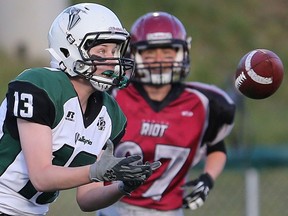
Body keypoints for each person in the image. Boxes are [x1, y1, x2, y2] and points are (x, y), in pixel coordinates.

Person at [0, 3, 161, 216]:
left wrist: (123, 186)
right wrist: (98, 171)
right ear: (69, 48)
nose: (112, 61)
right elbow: (41, 177)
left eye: (114, 51)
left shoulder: (110, 115)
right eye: (102, 50)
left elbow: (87, 198)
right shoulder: (40, 86)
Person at [98, 11, 236, 216]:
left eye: (168, 52)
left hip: (169, 212)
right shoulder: (110, 96)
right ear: (133, 55)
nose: (159, 60)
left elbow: (215, 145)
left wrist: (208, 179)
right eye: (150, 53)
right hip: (114, 209)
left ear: (183, 53)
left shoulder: (204, 103)